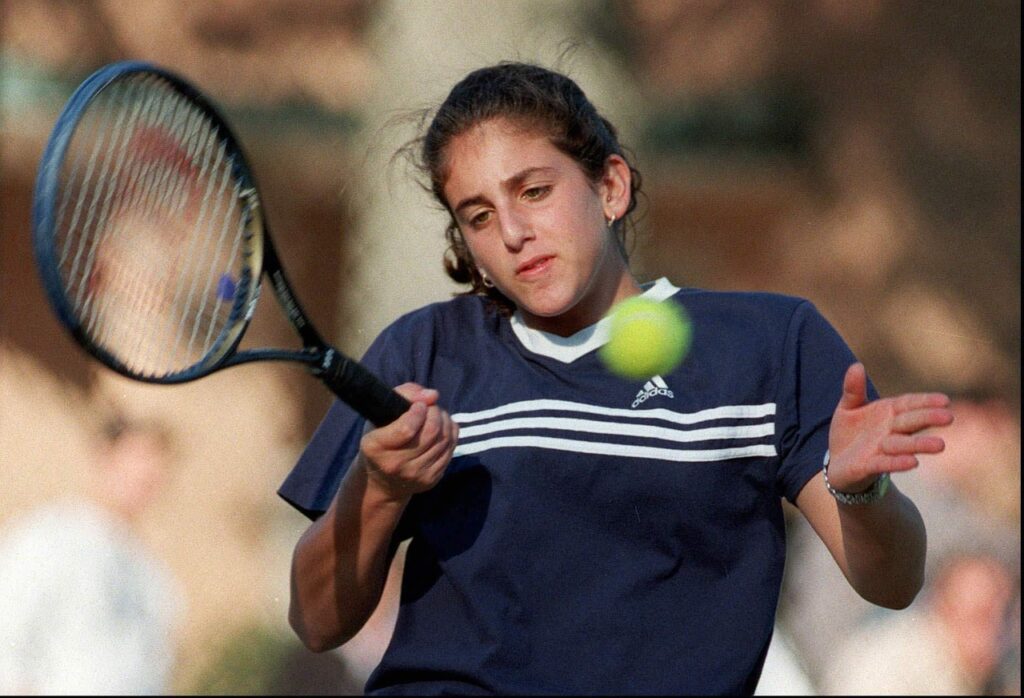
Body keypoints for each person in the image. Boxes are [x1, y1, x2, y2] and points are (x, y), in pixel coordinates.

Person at [277, 62, 955, 695]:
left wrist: (861, 491)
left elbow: (892, 583)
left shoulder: (771, 344)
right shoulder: (424, 353)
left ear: (610, 186)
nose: (513, 232)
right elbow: (316, 618)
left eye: (534, 191)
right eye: (478, 216)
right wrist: (380, 488)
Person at [0, 413, 184, 695]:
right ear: (104, 456)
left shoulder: (151, 576)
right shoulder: (48, 538)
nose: (147, 472)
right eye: (138, 457)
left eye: (157, 463)